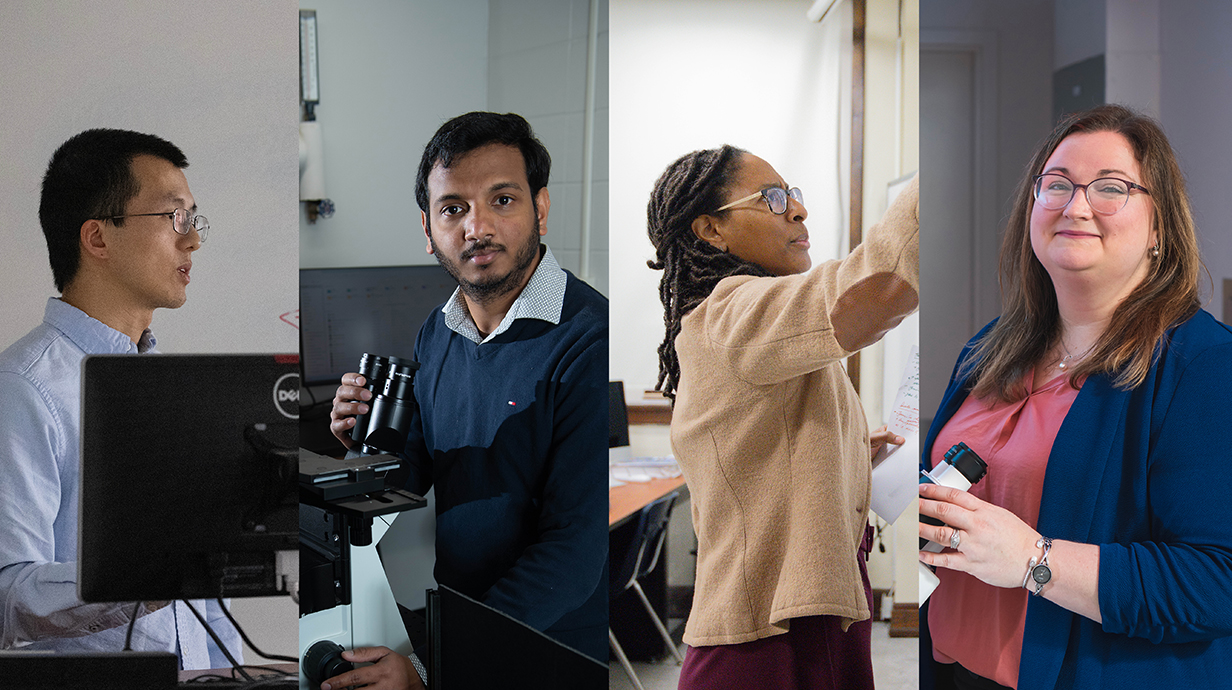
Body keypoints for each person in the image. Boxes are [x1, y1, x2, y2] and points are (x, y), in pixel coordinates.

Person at [918, 104, 1232, 690]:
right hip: (953, 668)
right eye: (1056, 185)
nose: (1076, 205)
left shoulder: (1203, 366)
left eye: (1111, 188)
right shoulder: (990, 346)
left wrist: (1035, 562)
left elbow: (1217, 583)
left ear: (1160, 228)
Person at [325, 112, 608, 690]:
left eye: (502, 200)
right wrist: (364, 444)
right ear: (427, 227)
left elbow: (574, 552)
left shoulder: (590, 338)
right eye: (453, 208)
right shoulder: (439, 330)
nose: (477, 226)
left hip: (549, 650)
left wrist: (435, 664)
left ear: (541, 209)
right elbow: (415, 474)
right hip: (462, 623)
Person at [645, 145, 919, 690]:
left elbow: (762, 446)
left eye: (794, 194)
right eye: (773, 198)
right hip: (765, 637)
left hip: (814, 608)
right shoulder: (730, 311)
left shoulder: (755, 319)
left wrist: (845, 452)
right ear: (712, 231)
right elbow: (876, 287)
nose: (798, 210)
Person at [0, 128, 241, 668]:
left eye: (193, 219)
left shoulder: (174, 386)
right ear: (98, 238)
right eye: (173, 218)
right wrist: (144, 576)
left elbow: (205, 589)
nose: (193, 241)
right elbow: (7, 594)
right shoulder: (24, 388)